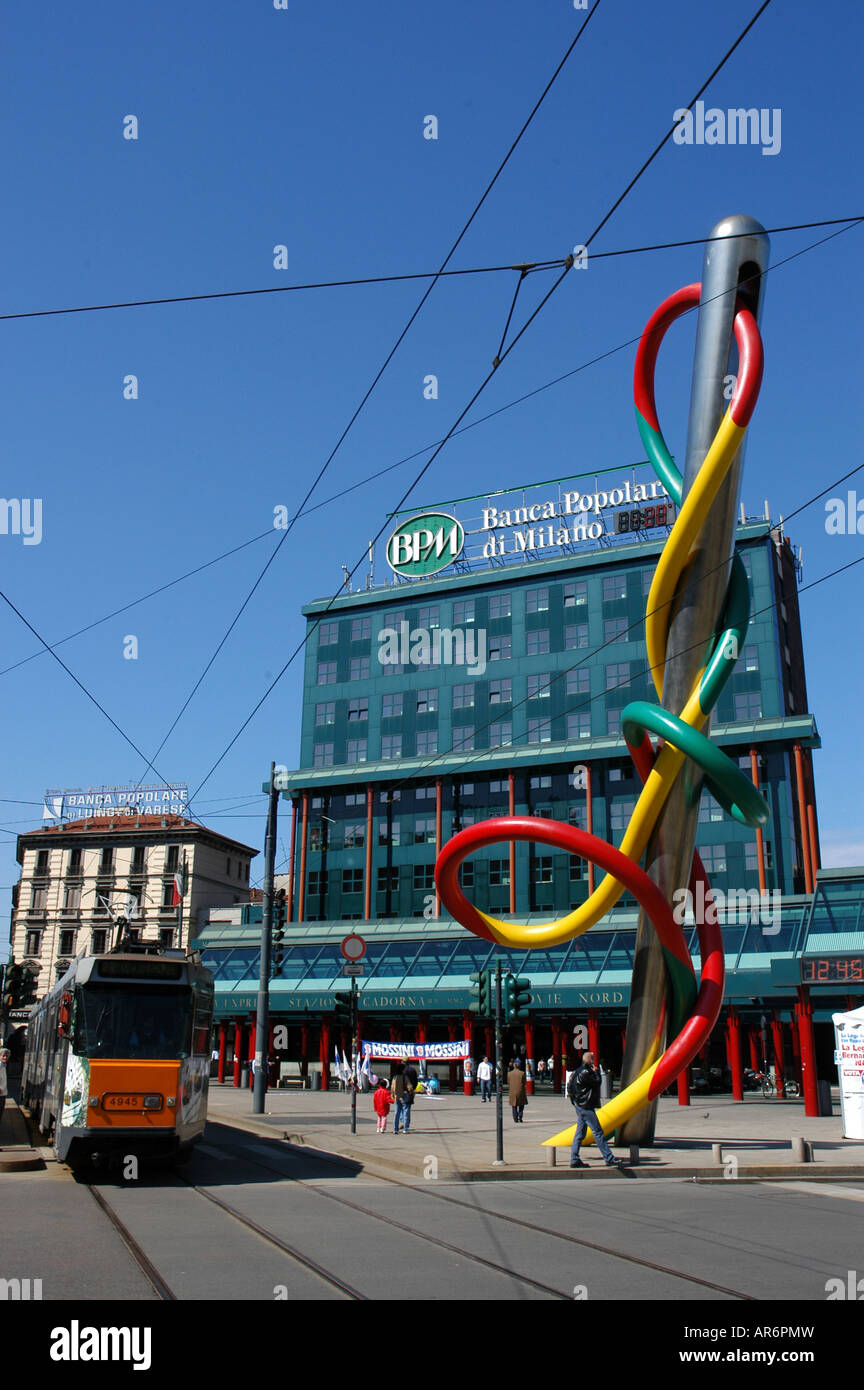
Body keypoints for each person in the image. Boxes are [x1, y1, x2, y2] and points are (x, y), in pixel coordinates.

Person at [567, 1050, 623, 1168]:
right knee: (597, 1132)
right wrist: (597, 1072)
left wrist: (575, 1102)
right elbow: (597, 1083)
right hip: (586, 1106)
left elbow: (570, 1087)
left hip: (580, 1105)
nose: (593, 1061)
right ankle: (609, 1158)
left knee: (580, 1133)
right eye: (592, 1059)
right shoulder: (586, 1072)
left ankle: (574, 1158)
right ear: (589, 1060)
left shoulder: (577, 1072)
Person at [391, 1063, 415, 1134]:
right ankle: (405, 1128)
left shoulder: (395, 1077)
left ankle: (395, 1129)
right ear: (402, 1069)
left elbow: (392, 1087)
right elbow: (409, 1086)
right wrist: (412, 1092)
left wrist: (393, 1095)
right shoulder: (405, 1077)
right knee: (406, 1113)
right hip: (404, 1097)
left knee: (397, 1113)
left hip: (397, 1097)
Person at [508, 1059, 527, 1123]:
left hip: (512, 1091)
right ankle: (520, 1115)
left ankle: (515, 1118)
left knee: (514, 1105)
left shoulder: (509, 1073)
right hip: (520, 1090)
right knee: (521, 1104)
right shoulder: (522, 1073)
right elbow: (524, 1082)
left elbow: (508, 1082)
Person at [0, 1048, 9, 1124]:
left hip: (2, 1094)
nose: (5, 1058)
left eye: (6, 1056)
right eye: (3, 1056)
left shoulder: (4, 1066)